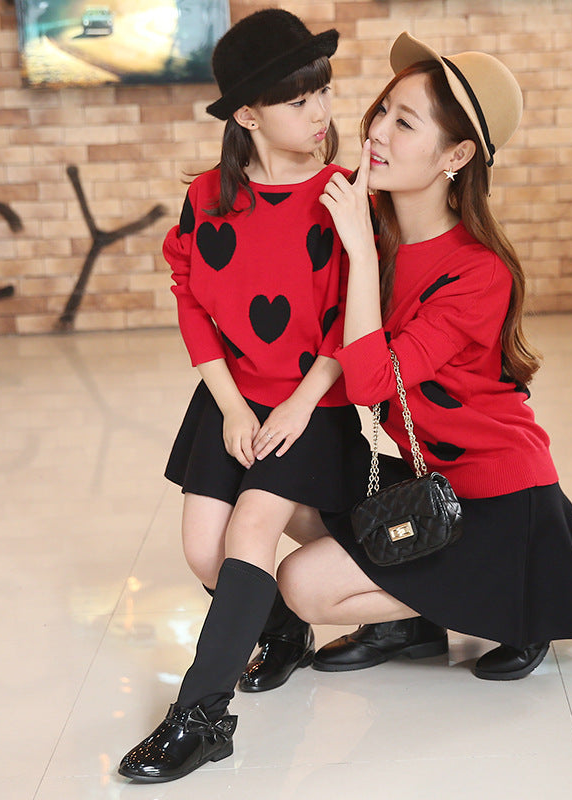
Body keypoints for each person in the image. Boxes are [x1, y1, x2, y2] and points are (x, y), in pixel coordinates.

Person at [275, 32, 572, 682]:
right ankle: (412, 620)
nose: (376, 132)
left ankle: (511, 597)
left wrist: (358, 254)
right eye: (382, 110)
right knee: (287, 490)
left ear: (457, 155)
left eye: (404, 123)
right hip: (424, 475)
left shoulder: (478, 272)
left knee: (303, 584)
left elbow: (371, 384)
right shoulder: (373, 227)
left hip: (498, 497)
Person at [118, 10, 370, 783]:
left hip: (313, 401)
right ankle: (285, 630)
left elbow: (355, 314)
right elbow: (191, 300)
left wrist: (299, 403)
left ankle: (200, 719)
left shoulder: (341, 194)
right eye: (299, 100)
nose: (322, 112)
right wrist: (230, 404)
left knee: (251, 530)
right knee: (204, 550)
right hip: (231, 398)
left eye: (324, 91)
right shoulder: (208, 198)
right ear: (249, 117)